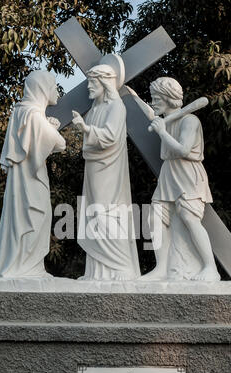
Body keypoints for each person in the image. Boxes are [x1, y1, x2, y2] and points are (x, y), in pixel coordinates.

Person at [0, 70, 66, 278]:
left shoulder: (21, 111)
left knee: (27, 218)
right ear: (42, 88)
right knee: (35, 216)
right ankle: (27, 269)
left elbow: (33, 141)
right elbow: (60, 143)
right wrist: (52, 130)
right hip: (30, 181)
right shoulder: (31, 113)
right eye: (53, 86)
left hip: (24, 180)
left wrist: (47, 127)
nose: (55, 91)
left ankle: (29, 267)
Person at [141, 77, 220, 281]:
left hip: (188, 174)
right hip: (169, 173)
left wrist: (162, 132)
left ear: (168, 98)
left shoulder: (189, 120)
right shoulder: (167, 121)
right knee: (155, 216)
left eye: (156, 98)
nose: (153, 102)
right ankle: (161, 268)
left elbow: (184, 150)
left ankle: (210, 268)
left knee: (189, 219)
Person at [72, 61, 140, 280]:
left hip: (109, 169)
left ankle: (121, 266)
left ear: (104, 83)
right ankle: (96, 271)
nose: (89, 87)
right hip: (94, 168)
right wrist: (86, 129)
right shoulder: (95, 109)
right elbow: (91, 140)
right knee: (93, 214)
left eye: (93, 83)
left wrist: (85, 128)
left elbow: (110, 137)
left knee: (106, 214)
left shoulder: (116, 107)